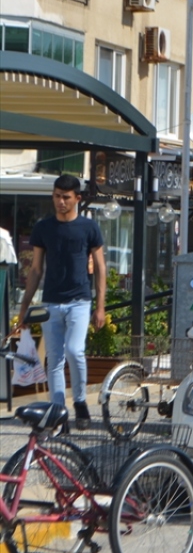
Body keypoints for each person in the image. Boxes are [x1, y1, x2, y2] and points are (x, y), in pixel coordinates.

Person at [18, 174, 108, 430]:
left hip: (80, 300)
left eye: (66, 197)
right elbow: (36, 270)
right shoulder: (43, 227)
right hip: (51, 303)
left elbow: (101, 267)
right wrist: (25, 306)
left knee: (74, 351)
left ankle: (79, 401)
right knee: (54, 359)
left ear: (77, 199)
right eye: (57, 196)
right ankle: (58, 413)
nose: (60, 201)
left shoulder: (89, 228)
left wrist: (100, 306)